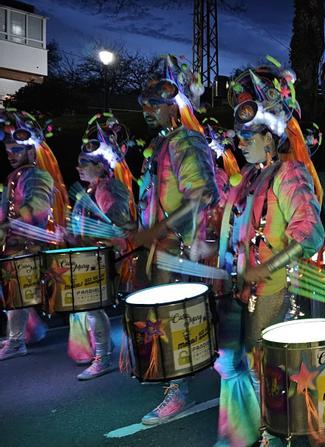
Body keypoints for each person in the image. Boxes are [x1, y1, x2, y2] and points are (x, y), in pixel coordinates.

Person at [213, 64, 324, 447]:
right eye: (239, 136)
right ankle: (246, 430)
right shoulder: (247, 178)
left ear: (270, 137)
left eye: (248, 135)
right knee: (232, 362)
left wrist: (265, 267)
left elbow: (310, 232)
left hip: (274, 290)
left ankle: (272, 436)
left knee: (268, 370)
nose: (240, 143)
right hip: (240, 288)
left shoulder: (289, 173)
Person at [131, 55, 220, 425]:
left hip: (184, 250)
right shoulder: (163, 143)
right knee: (175, 322)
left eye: (156, 104)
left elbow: (201, 194)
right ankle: (178, 380)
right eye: (147, 105)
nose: (149, 111)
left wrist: (159, 230)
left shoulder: (186, 141)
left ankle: (177, 391)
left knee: (175, 321)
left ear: (174, 106)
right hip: (165, 248)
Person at [66, 119, 136, 379]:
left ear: (101, 165)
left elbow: (117, 223)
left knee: (94, 309)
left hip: (110, 258)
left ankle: (103, 357)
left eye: (84, 163)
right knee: (92, 309)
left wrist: (86, 239)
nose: (79, 167)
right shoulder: (93, 189)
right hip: (96, 257)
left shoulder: (109, 187)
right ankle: (103, 352)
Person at [0, 111, 66, 361]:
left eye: (16, 149)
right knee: (11, 293)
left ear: (31, 150)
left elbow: (36, 210)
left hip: (27, 246)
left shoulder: (37, 175)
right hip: (13, 244)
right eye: (8, 150)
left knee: (15, 293)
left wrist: (8, 225)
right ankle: (28, 331)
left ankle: (18, 340)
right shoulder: (15, 176)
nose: (11, 154)